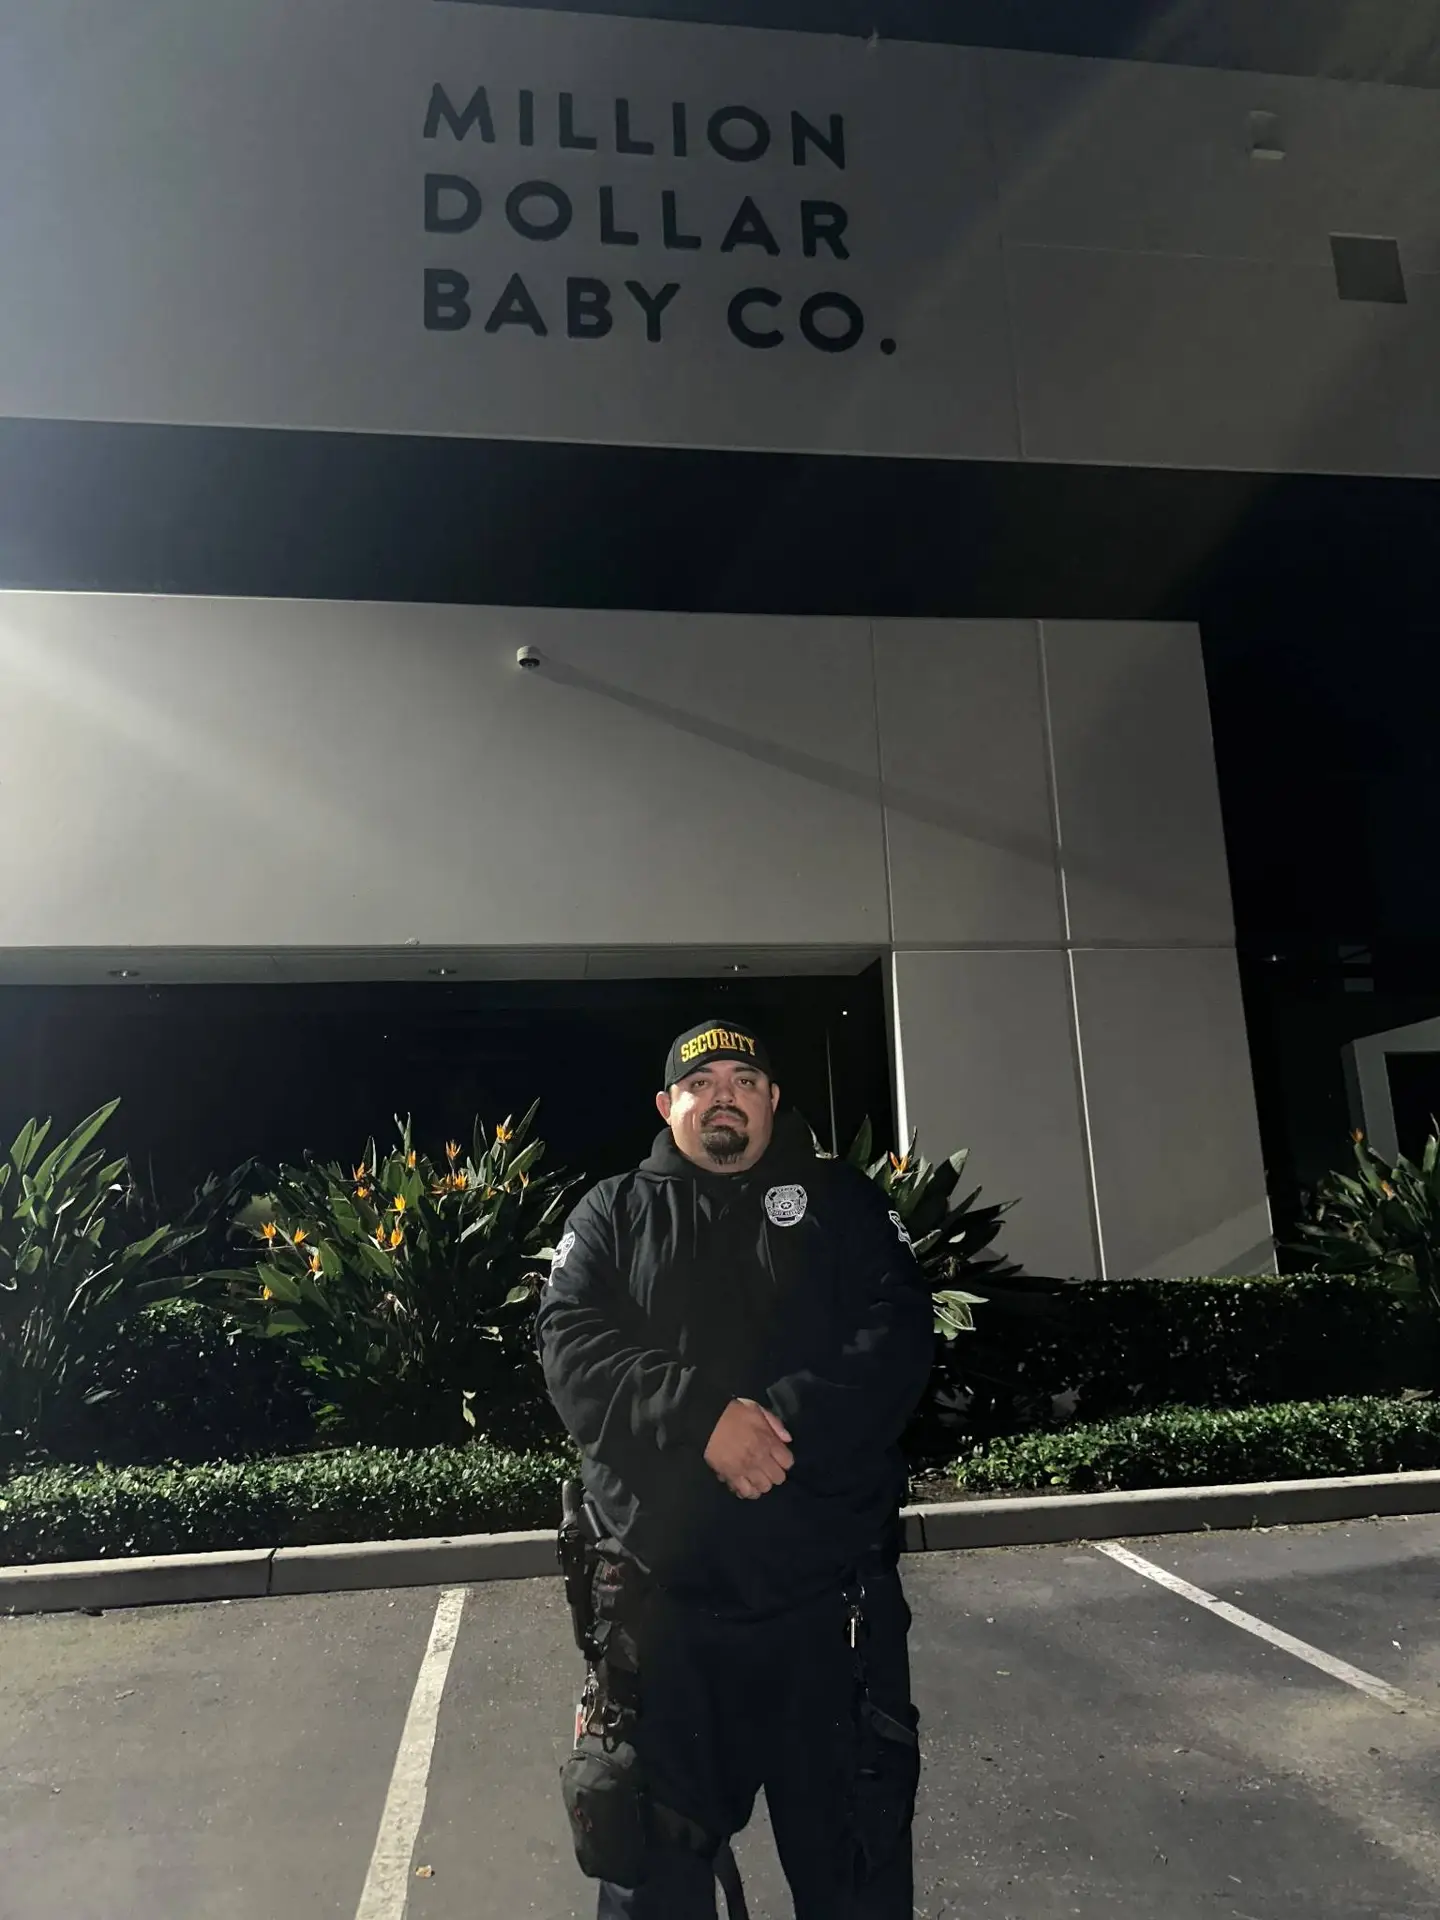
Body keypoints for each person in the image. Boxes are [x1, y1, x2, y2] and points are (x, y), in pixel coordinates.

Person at [536, 1019, 936, 1919]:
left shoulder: (845, 1205)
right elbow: (571, 1350)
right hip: (663, 1630)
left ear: (772, 1101)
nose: (724, 1094)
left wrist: (772, 1430)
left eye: (745, 1080)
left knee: (856, 1883)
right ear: (666, 1105)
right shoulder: (611, 1213)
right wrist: (704, 1420)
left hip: (829, 1625)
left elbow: (898, 1336)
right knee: (655, 1890)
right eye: (701, 1080)